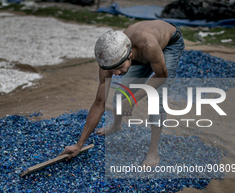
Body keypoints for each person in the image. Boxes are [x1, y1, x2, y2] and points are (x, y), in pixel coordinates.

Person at [59, 20, 185, 167]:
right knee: (120, 95)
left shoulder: (147, 45)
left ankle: (153, 151)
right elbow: (99, 103)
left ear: (130, 53)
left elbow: (161, 75)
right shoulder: (108, 61)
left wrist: (132, 100)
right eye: (112, 70)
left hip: (169, 43)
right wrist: (79, 144)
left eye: (119, 68)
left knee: (156, 99)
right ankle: (116, 125)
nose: (116, 73)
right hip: (141, 48)